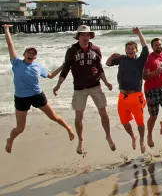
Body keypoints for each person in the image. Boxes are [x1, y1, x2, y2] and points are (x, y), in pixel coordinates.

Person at [3, 24, 74, 153]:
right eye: (28, 52)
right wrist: (7, 30)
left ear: (35, 57)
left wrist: (63, 66)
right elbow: (10, 45)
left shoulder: (38, 67)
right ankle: (10, 140)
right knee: (20, 128)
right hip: (21, 98)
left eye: (33, 54)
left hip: (37, 95)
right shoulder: (16, 62)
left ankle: (69, 129)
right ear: (24, 54)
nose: (31, 54)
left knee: (54, 117)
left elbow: (51, 76)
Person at [53, 25, 115, 154]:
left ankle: (108, 136)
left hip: (95, 86)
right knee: (78, 116)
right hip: (79, 88)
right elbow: (65, 69)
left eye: (87, 35)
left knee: (103, 113)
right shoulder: (71, 51)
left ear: (90, 36)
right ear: (78, 36)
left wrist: (106, 82)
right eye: (82, 35)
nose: (85, 37)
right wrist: (58, 84)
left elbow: (100, 68)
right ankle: (81, 140)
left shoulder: (96, 50)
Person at [106, 27, 149, 153]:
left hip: (136, 96)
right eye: (128, 49)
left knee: (140, 122)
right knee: (124, 122)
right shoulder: (122, 59)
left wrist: (139, 33)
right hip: (122, 96)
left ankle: (141, 140)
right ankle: (133, 137)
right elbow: (108, 64)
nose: (130, 50)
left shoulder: (140, 61)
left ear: (136, 51)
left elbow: (145, 48)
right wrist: (112, 56)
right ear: (125, 50)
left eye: (133, 49)